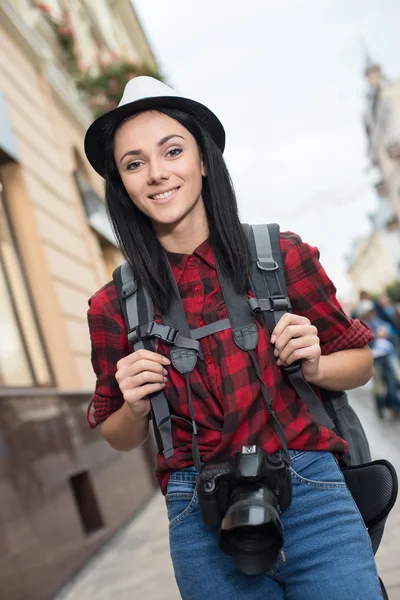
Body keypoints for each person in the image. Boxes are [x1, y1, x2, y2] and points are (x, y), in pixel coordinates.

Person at [84, 76, 383, 599]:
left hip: (312, 493)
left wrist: (314, 363)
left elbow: (359, 362)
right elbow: (118, 434)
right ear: (123, 186)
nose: (156, 174)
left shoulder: (281, 256)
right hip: (198, 513)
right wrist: (132, 405)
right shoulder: (113, 305)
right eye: (134, 164)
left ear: (202, 160)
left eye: (171, 151)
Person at [357, 299, 400, 418]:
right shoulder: (362, 326)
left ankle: (393, 405)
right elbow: (364, 344)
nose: (371, 314)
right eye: (369, 312)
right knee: (379, 386)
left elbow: (392, 333)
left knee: (393, 381)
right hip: (375, 359)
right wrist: (376, 336)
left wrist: (387, 334)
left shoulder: (379, 322)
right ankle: (380, 408)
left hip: (387, 355)